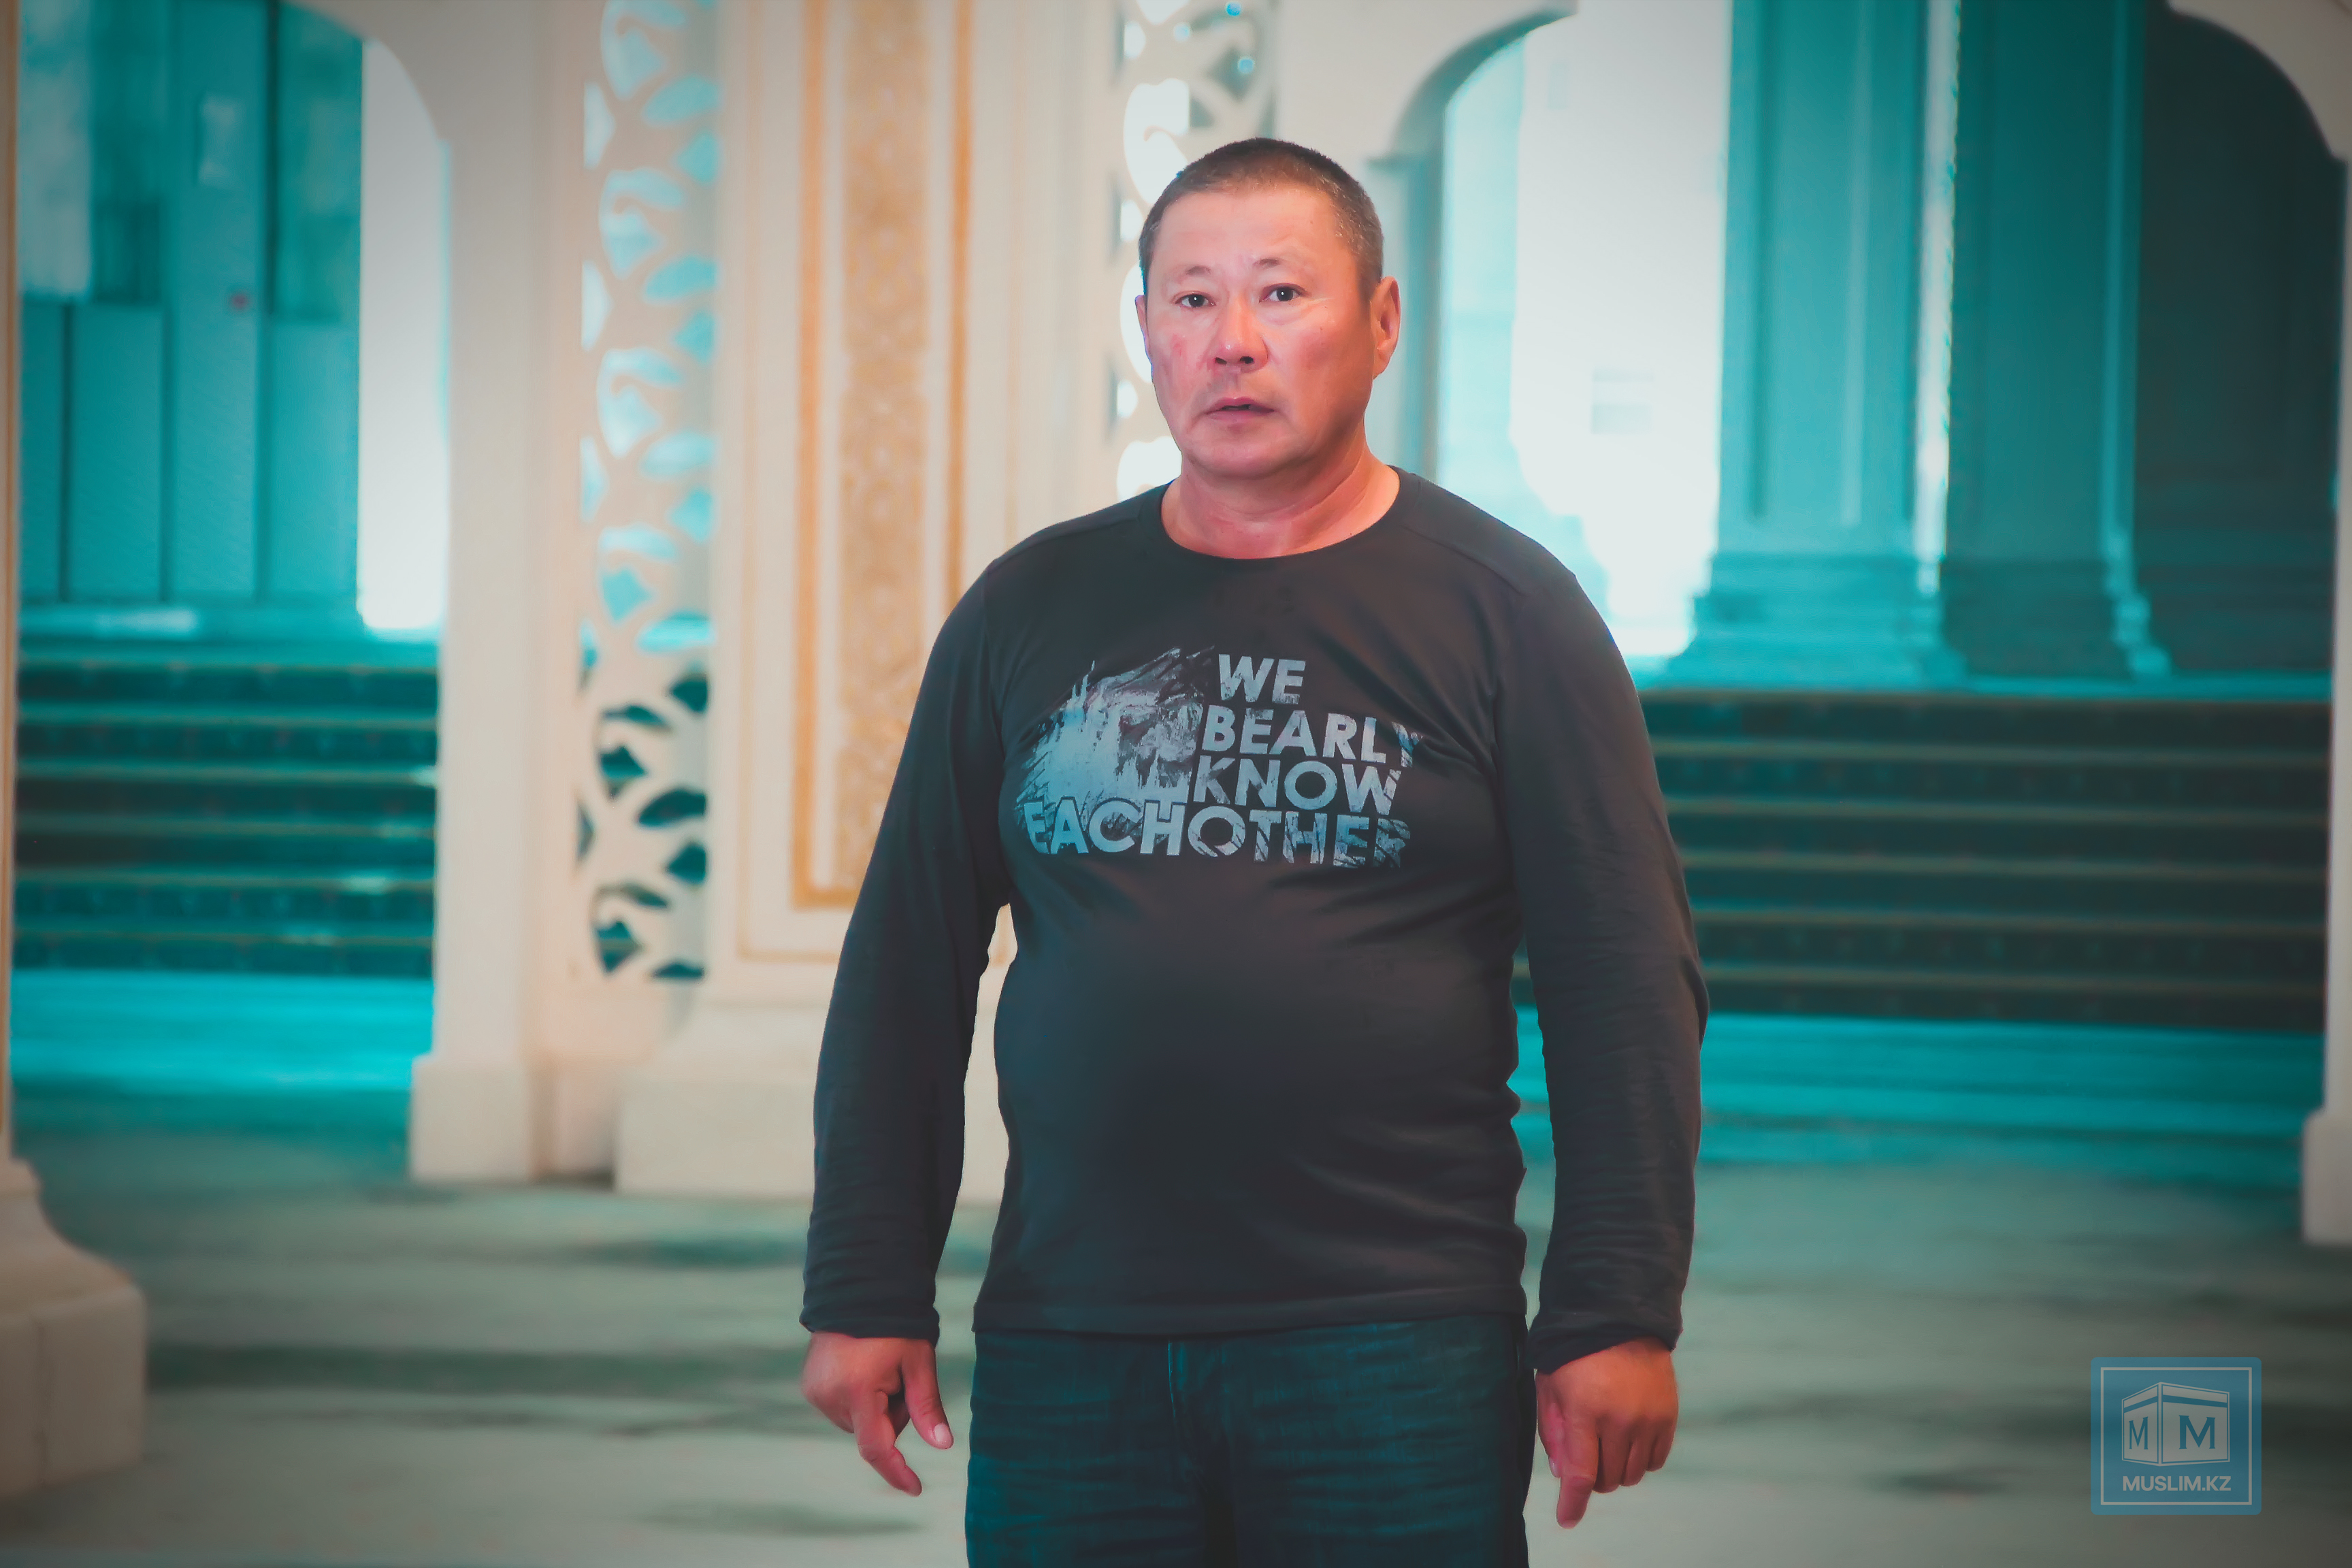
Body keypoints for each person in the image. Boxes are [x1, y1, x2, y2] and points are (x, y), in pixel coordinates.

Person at [798, 137, 1704, 1566]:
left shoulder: (1509, 615)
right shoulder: (1031, 608)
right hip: (1072, 1335)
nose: (1233, 340)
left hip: (1391, 1340)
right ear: (1147, 331)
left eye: (1283, 294)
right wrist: (866, 1284)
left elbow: (1625, 984)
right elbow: (906, 965)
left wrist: (1616, 1310)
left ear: (1382, 323)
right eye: (1192, 299)